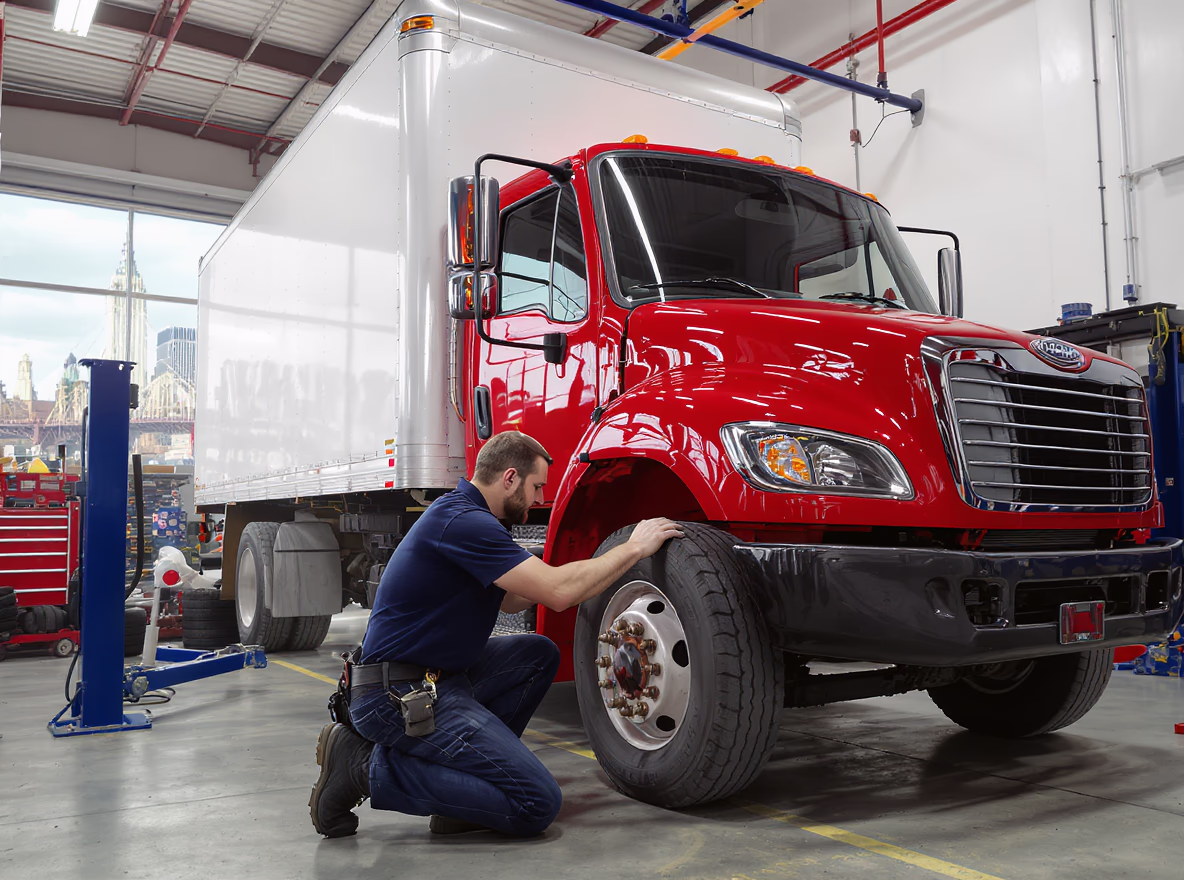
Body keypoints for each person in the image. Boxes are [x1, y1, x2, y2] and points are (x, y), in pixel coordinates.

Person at [309, 431, 683, 838]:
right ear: (509, 478)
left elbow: (516, 598)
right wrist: (631, 549)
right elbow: (558, 592)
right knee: (536, 804)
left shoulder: (470, 519)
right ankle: (362, 767)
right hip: (398, 695)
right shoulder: (464, 522)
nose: (540, 498)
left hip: (436, 678)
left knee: (537, 655)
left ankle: (469, 793)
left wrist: (583, 574)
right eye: (536, 486)